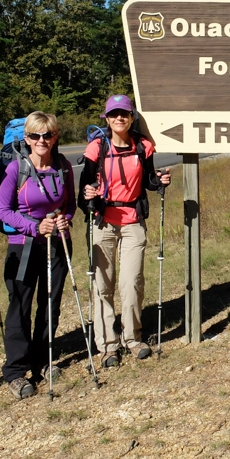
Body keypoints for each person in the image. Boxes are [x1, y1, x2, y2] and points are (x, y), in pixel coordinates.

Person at [79, 94, 171, 367]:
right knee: (103, 285)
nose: (120, 118)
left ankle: (133, 338)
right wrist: (89, 197)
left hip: (132, 221)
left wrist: (160, 180)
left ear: (132, 117)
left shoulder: (143, 146)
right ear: (106, 119)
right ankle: (108, 345)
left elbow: (149, 180)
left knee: (131, 283)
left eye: (125, 114)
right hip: (103, 221)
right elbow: (84, 191)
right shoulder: (97, 148)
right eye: (114, 114)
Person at [0, 111, 76, 399]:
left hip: (57, 243)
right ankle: (16, 370)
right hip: (24, 245)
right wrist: (34, 226)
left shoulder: (63, 166)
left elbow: (70, 204)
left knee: (50, 303)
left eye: (48, 134)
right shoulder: (17, 169)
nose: (42, 140)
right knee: (20, 306)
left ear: (55, 136)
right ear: (26, 138)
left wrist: (65, 219)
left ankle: (43, 359)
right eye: (35, 135)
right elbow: (2, 211)